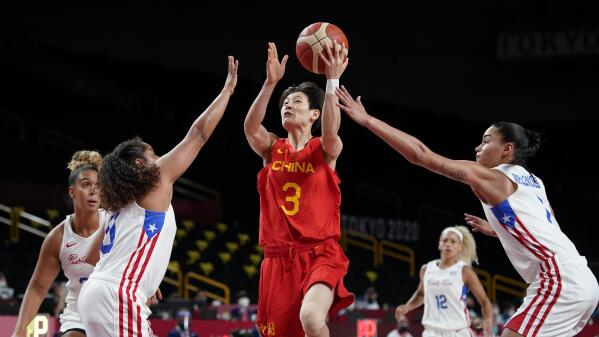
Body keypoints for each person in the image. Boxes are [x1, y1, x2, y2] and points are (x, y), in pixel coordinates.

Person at [334, 88, 599, 337]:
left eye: (486, 142)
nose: (477, 148)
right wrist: (498, 229)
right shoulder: (534, 181)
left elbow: (422, 155)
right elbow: (549, 228)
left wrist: (368, 121)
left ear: (507, 149)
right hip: (582, 276)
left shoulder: (493, 177)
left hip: (557, 278)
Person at [78, 56, 238, 337]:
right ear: (139, 164)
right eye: (151, 153)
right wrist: (227, 91)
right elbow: (197, 134)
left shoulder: (120, 205)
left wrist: (144, 277)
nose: (158, 156)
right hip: (119, 294)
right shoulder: (154, 182)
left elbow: (91, 255)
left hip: (97, 293)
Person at [243, 41, 354, 337]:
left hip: (320, 253)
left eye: (296, 103)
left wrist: (332, 81)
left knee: (312, 318)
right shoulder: (271, 149)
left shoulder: (324, 150)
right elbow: (251, 128)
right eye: (285, 104)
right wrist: (270, 84)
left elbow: (332, 131)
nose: (288, 106)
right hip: (278, 260)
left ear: (314, 115)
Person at [11, 150, 106, 337]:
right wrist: (20, 330)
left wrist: (149, 283)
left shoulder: (115, 224)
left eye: (98, 186)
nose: (94, 190)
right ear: (72, 191)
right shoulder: (58, 238)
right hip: (79, 315)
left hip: (115, 311)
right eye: (86, 185)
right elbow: (38, 287)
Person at [395, 226, 493, 337]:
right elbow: (421, 294)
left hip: (457, 331)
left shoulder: (464, 271)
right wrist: (407, 307)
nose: (448, 244)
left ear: (460, 247)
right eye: (445, 240)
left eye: (453, 241)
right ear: (439, 244)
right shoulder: (426, 269)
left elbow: (484, 301)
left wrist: (488, 321)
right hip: (431, 331)